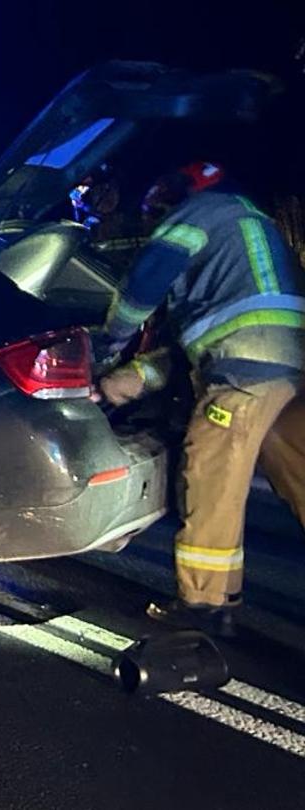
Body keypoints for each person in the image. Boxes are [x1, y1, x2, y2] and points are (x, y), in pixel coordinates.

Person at [94, 160, 305, 635]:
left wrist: (109, 343)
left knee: (210, 473)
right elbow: (180, 355)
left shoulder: (197, 215)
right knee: (297, 469)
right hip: (290, 370)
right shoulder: (248, 225)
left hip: (245, 371)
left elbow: (143, 284)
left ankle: (205, 604)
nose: (152, 222)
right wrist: (114, 386)